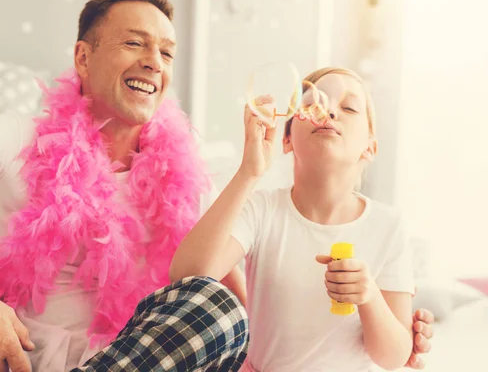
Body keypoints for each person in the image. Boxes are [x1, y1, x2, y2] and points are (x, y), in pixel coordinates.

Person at [0, 0, 248, 372]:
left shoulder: (190, 182)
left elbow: (229, 304)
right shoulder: (15, 138)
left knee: (219, 306)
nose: (153, 62)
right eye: (134, 43)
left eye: (166, 52)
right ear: (83, 57)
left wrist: (252, 171)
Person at [170, 67, 434, 371]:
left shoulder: (388, 226)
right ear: (287, 139)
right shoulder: (262, 210)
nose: (330, 111)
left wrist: (369, 295)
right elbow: (187, 277)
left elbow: (394, 357)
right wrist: (249, 171)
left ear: (370, 147)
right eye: (312, 103)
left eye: (348, 107)